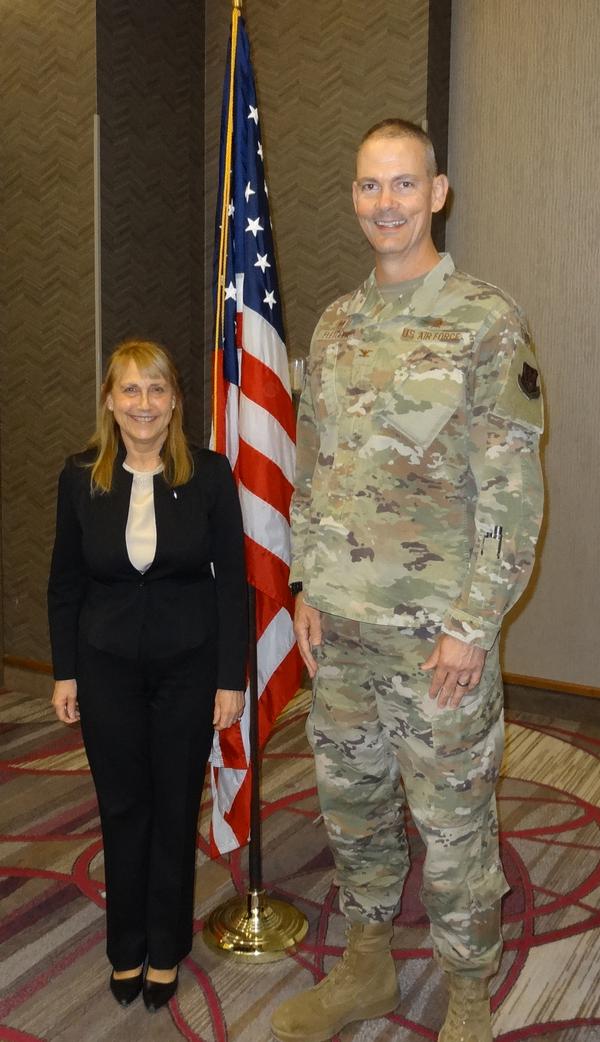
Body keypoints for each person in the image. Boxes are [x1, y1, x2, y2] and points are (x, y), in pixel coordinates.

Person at [271, 120, 544, 1042]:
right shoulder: (336, 324)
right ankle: (368, 965)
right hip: (340, 635)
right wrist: (307, 584)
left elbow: (511, 491)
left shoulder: (485, 320)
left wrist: (474, 625)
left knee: (457, 827)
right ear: (355, 197)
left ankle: (470, 992)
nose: (383, 203)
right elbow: (317, 471)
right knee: (354, 814)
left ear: (437, 193)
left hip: (437, 641)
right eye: (367, 186)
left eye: (402, 185)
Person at [48, 338, 247, 1012]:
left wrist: (230, 679)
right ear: (109, 400)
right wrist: (64, 672)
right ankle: (124, 946)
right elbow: (64, 583)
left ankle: (166, 948)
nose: (143, 404)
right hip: (105, 668)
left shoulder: (210, 474)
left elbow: (233, 587)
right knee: (122, 806)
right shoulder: (80, 476)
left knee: (172, 806)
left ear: (175, 402)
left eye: (156, 390)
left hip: (189, 667)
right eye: (130, 390)